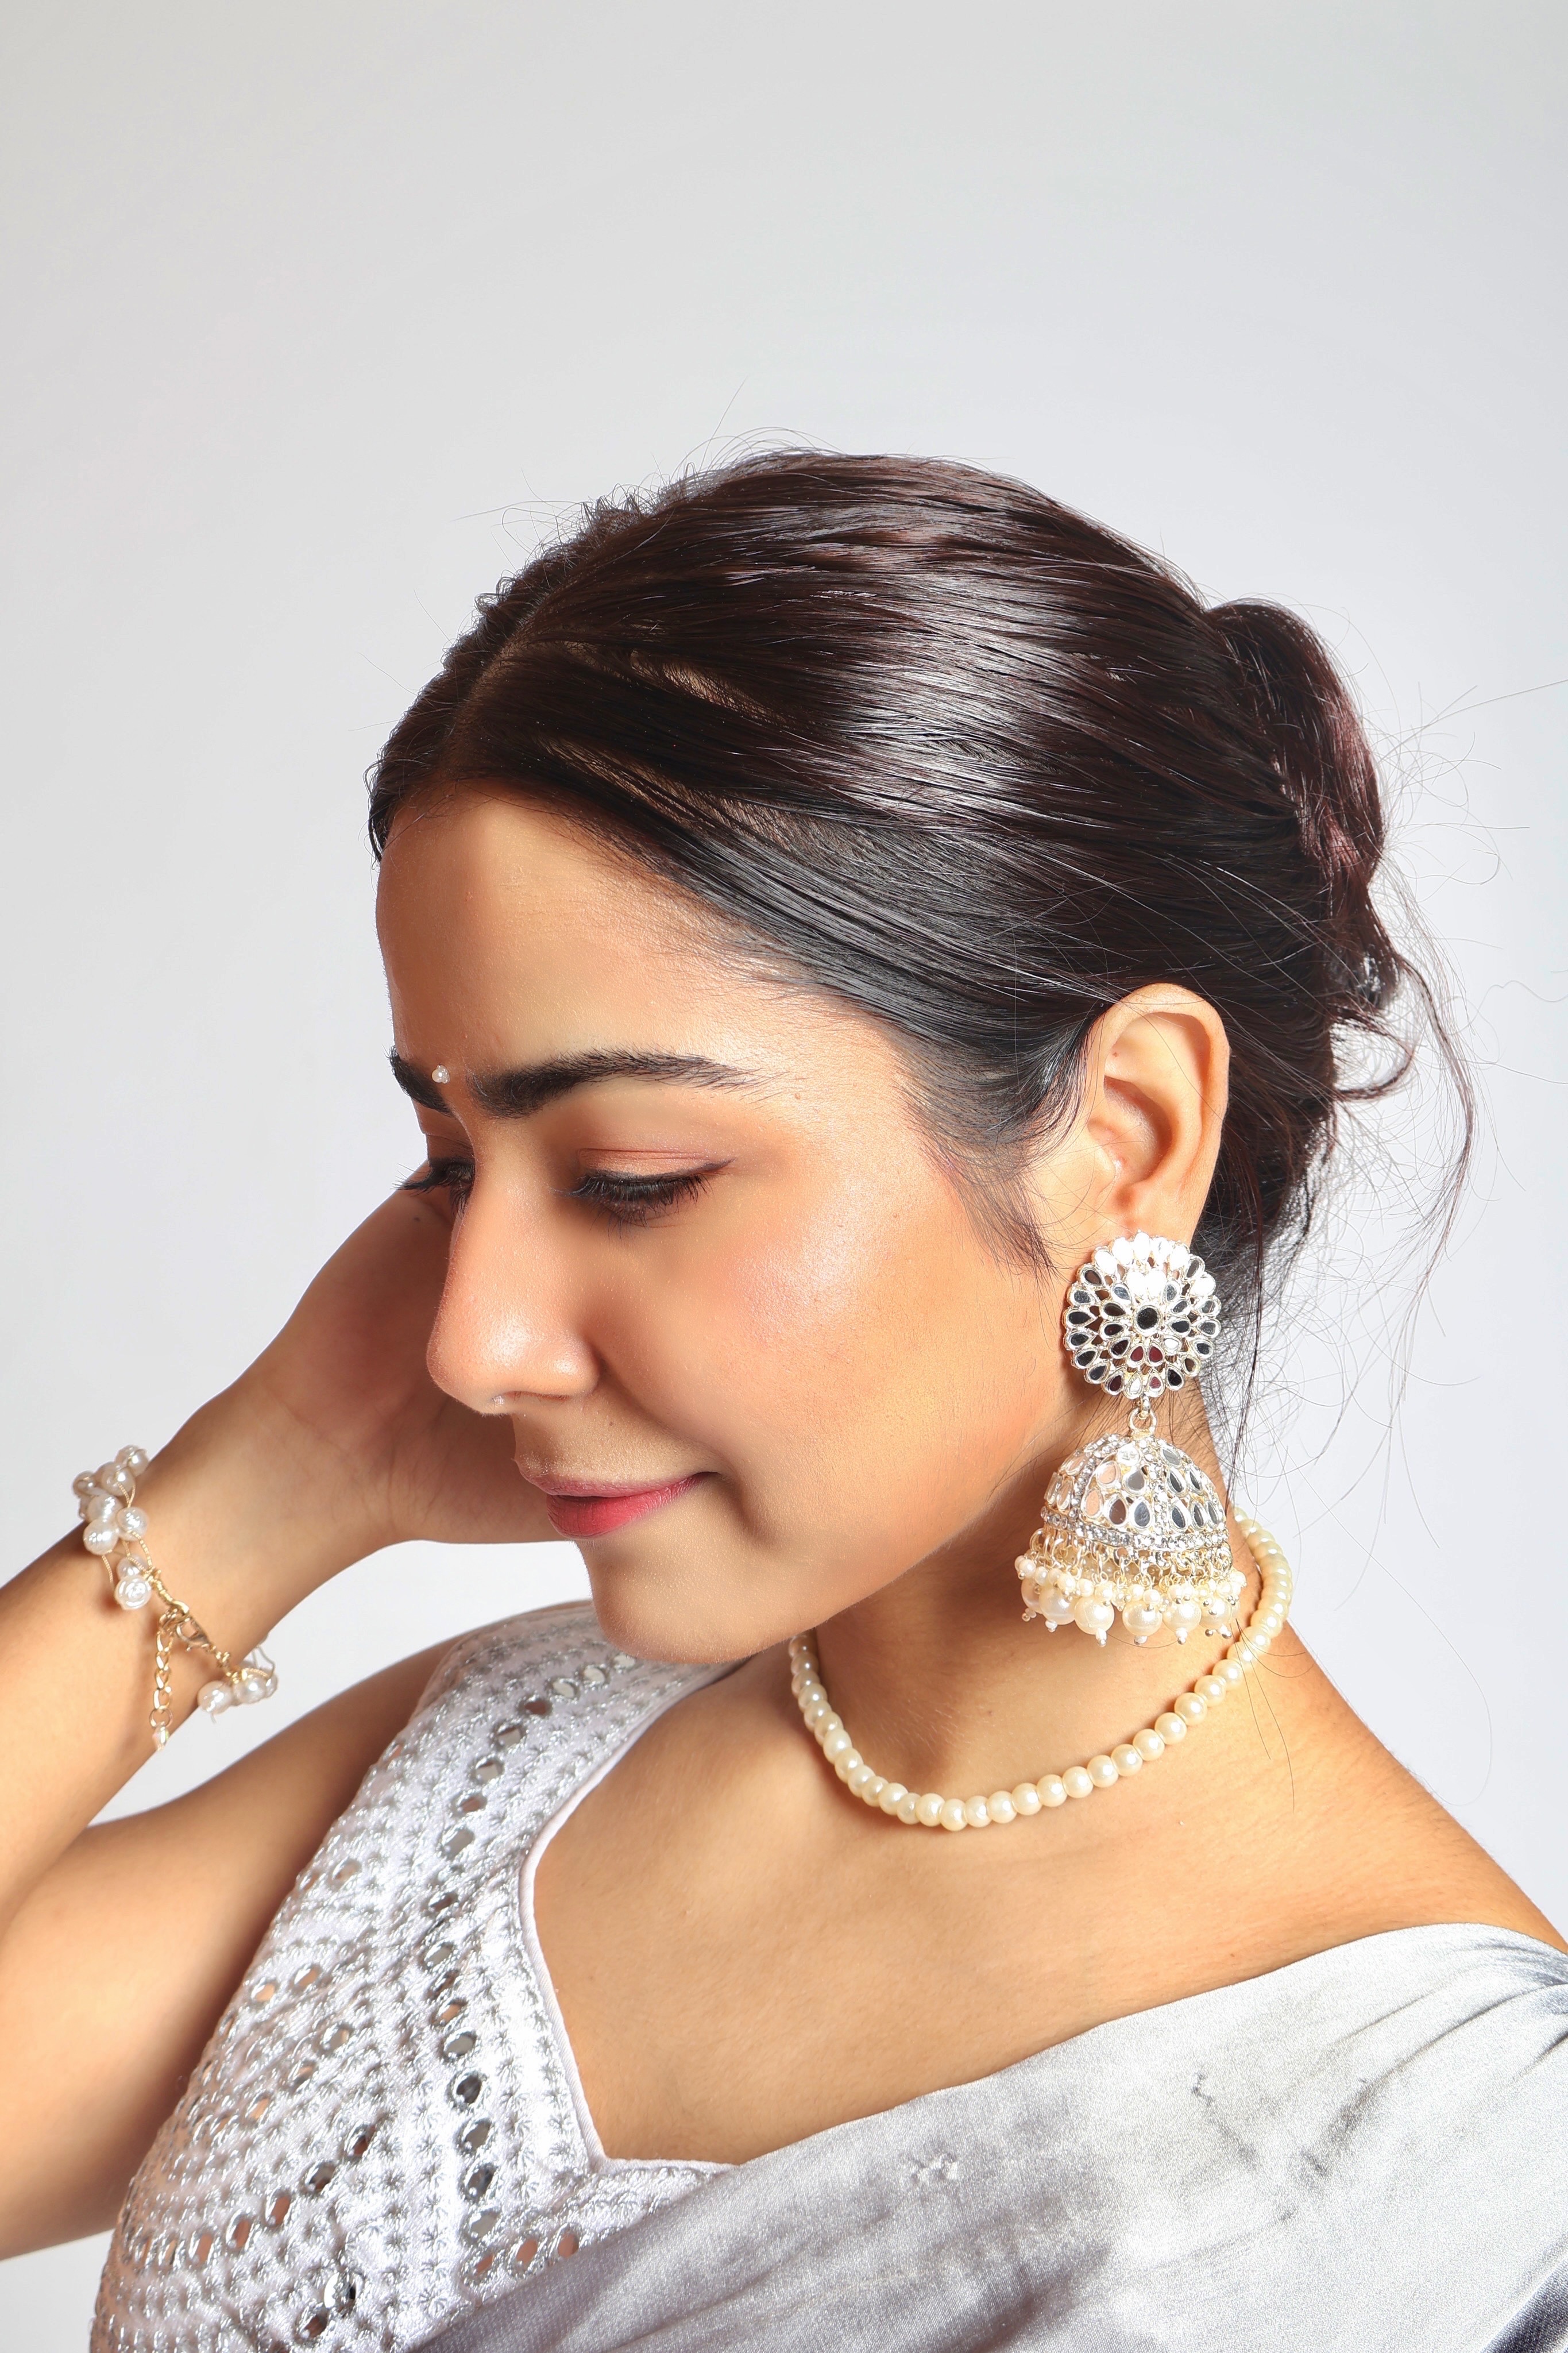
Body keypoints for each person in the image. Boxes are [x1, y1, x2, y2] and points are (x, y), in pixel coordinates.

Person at [3, 454, 1563, 2353]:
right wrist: (272, 1482)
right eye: (449, 1165)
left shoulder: (1446, 2181)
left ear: (1129, 1139)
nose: (473, 1339)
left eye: (632, 1178)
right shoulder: (500, 1766)